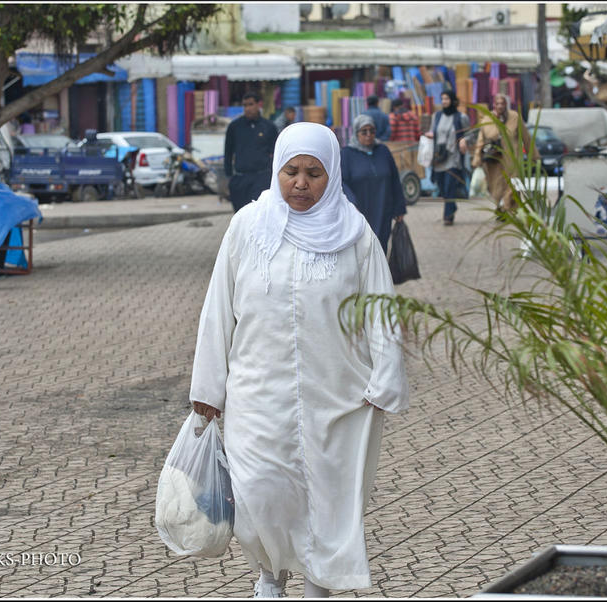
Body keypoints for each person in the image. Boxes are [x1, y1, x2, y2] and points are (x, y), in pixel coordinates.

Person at [189, 121, 409, 599]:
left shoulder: (355, 234)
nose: (302, 184)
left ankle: (317, 587)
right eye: (292, 171)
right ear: (277, 170)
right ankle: (269, 578)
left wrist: (386, 376)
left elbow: (381, 310)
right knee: (259, 494)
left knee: (324, 503)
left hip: (337, 396)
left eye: (315, 172)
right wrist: (208, 390)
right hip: (256, 396)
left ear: (332, 174)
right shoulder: (247, 226)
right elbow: (217, 310)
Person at [341, 114, 407, 254]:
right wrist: (352, 204)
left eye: (372, 131)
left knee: (381, 248)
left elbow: (394, 179)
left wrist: (399, 208)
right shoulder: (347, 154)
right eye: (364, 131)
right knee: (363, 250)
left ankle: (381, 275)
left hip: (383, 209)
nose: (369, 135)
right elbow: (342, 183)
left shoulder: (383, 151)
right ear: (356, 132)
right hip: (361, 212)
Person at [471, 94, 532, 213]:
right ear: (494, 105)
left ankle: (508, 209)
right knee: (497, 187)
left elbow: (525, 137)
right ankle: (501, 207)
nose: (500, 106)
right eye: (497, 104)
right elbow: (481, 140)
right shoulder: (487, 119)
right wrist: (477, 157)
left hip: (512, 159)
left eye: (502, 103)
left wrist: (533, 155)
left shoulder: (514, 117)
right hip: (495, 160)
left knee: (513, 185)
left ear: (506, 105)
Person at [223, 91, 279, 213]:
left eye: (250, 104)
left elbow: (276, 154)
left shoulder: (269, 127)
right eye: (245, 105)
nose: (247, 108)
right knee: (240, 215)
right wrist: (228, 178)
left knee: (258, 214)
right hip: (240, 179)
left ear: (259, 104)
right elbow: (228, 152)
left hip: (262, 178)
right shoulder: (235, 127)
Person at [424, 90, 469, 225]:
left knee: (449, 186)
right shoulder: (436, 116)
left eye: (447, 99)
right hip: (439, 157)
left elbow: (470, 134)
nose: (444, 102)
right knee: (442, 187)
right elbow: (434, 131)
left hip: (453, 158)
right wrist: (430, 135)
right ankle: (452, 206)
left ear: (453, 101)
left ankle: (448, 216)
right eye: (442, 99)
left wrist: (464, 140)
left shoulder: (461, 117)